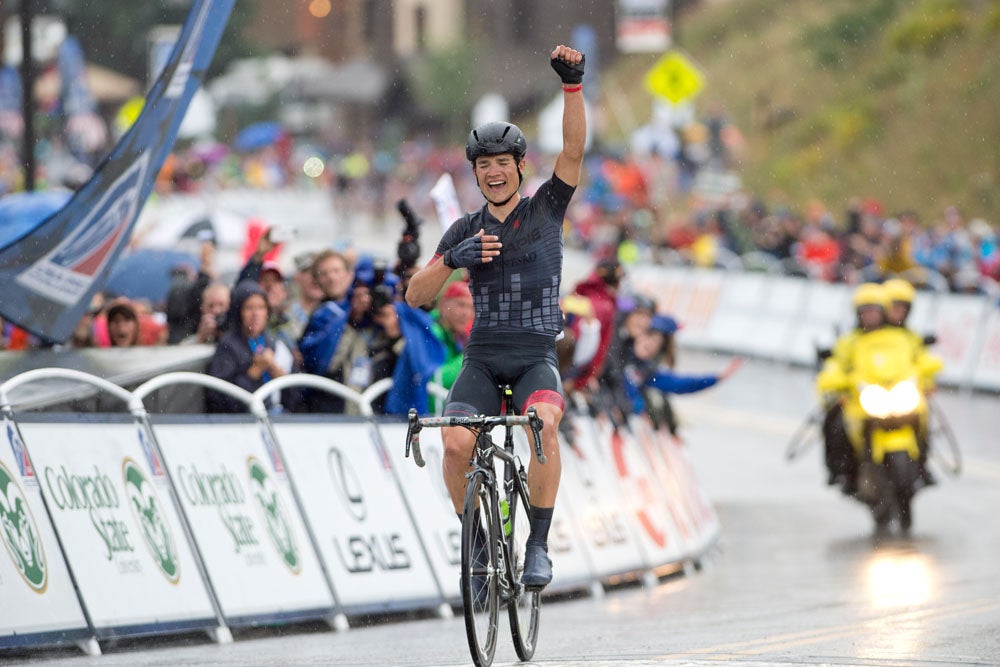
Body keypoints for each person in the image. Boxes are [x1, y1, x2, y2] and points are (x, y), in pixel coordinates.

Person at [404, 44, 586, 589]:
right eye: (484, 166)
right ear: (476, 174)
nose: (494, 173)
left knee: (543, 426)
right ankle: (478, 541)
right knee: (455, 443)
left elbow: (574, 150)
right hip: (482, 358)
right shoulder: (462, 230)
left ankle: (537, 545)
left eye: (502, 164)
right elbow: (416, 294)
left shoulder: (546, 208)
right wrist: (452, 263)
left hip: (534, 354)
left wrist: (572, 87)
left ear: (518, 168)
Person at [205, 280, 290, 413]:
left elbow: (296, 396)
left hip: (276, 413)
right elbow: (218, 398)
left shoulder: (272, 342)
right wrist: (254, 372)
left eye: (261, 307)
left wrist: (281, 377)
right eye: (249, 308)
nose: (255, 314)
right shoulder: (228, 345)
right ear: (238, 312)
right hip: (243, 421)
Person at [429, 280, 475, 412]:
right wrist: (471, 357)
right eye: (461, 305)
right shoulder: (432, 331)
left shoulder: (457, 335)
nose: (466, 313)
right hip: (421, 417)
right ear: (443, 304)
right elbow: (434, 379)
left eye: (471, 307)